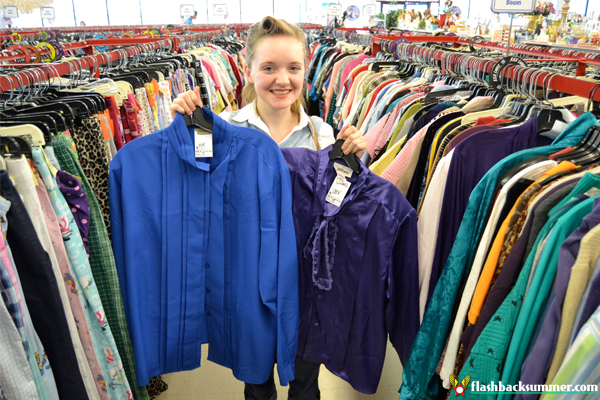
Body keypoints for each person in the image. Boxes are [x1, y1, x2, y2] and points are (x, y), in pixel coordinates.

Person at [170, 16, 367, 400]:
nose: (282, 79)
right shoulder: (223, 129)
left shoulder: (322, 135)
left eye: (293, 68)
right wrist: (182, 129)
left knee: (305, 383)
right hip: (246, 283)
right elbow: (195, 188)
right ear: (248, 69)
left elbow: (338, 206)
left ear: (306, 70)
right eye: (269, 68)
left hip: (305, 285)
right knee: (256, 382)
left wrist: (354, 163)